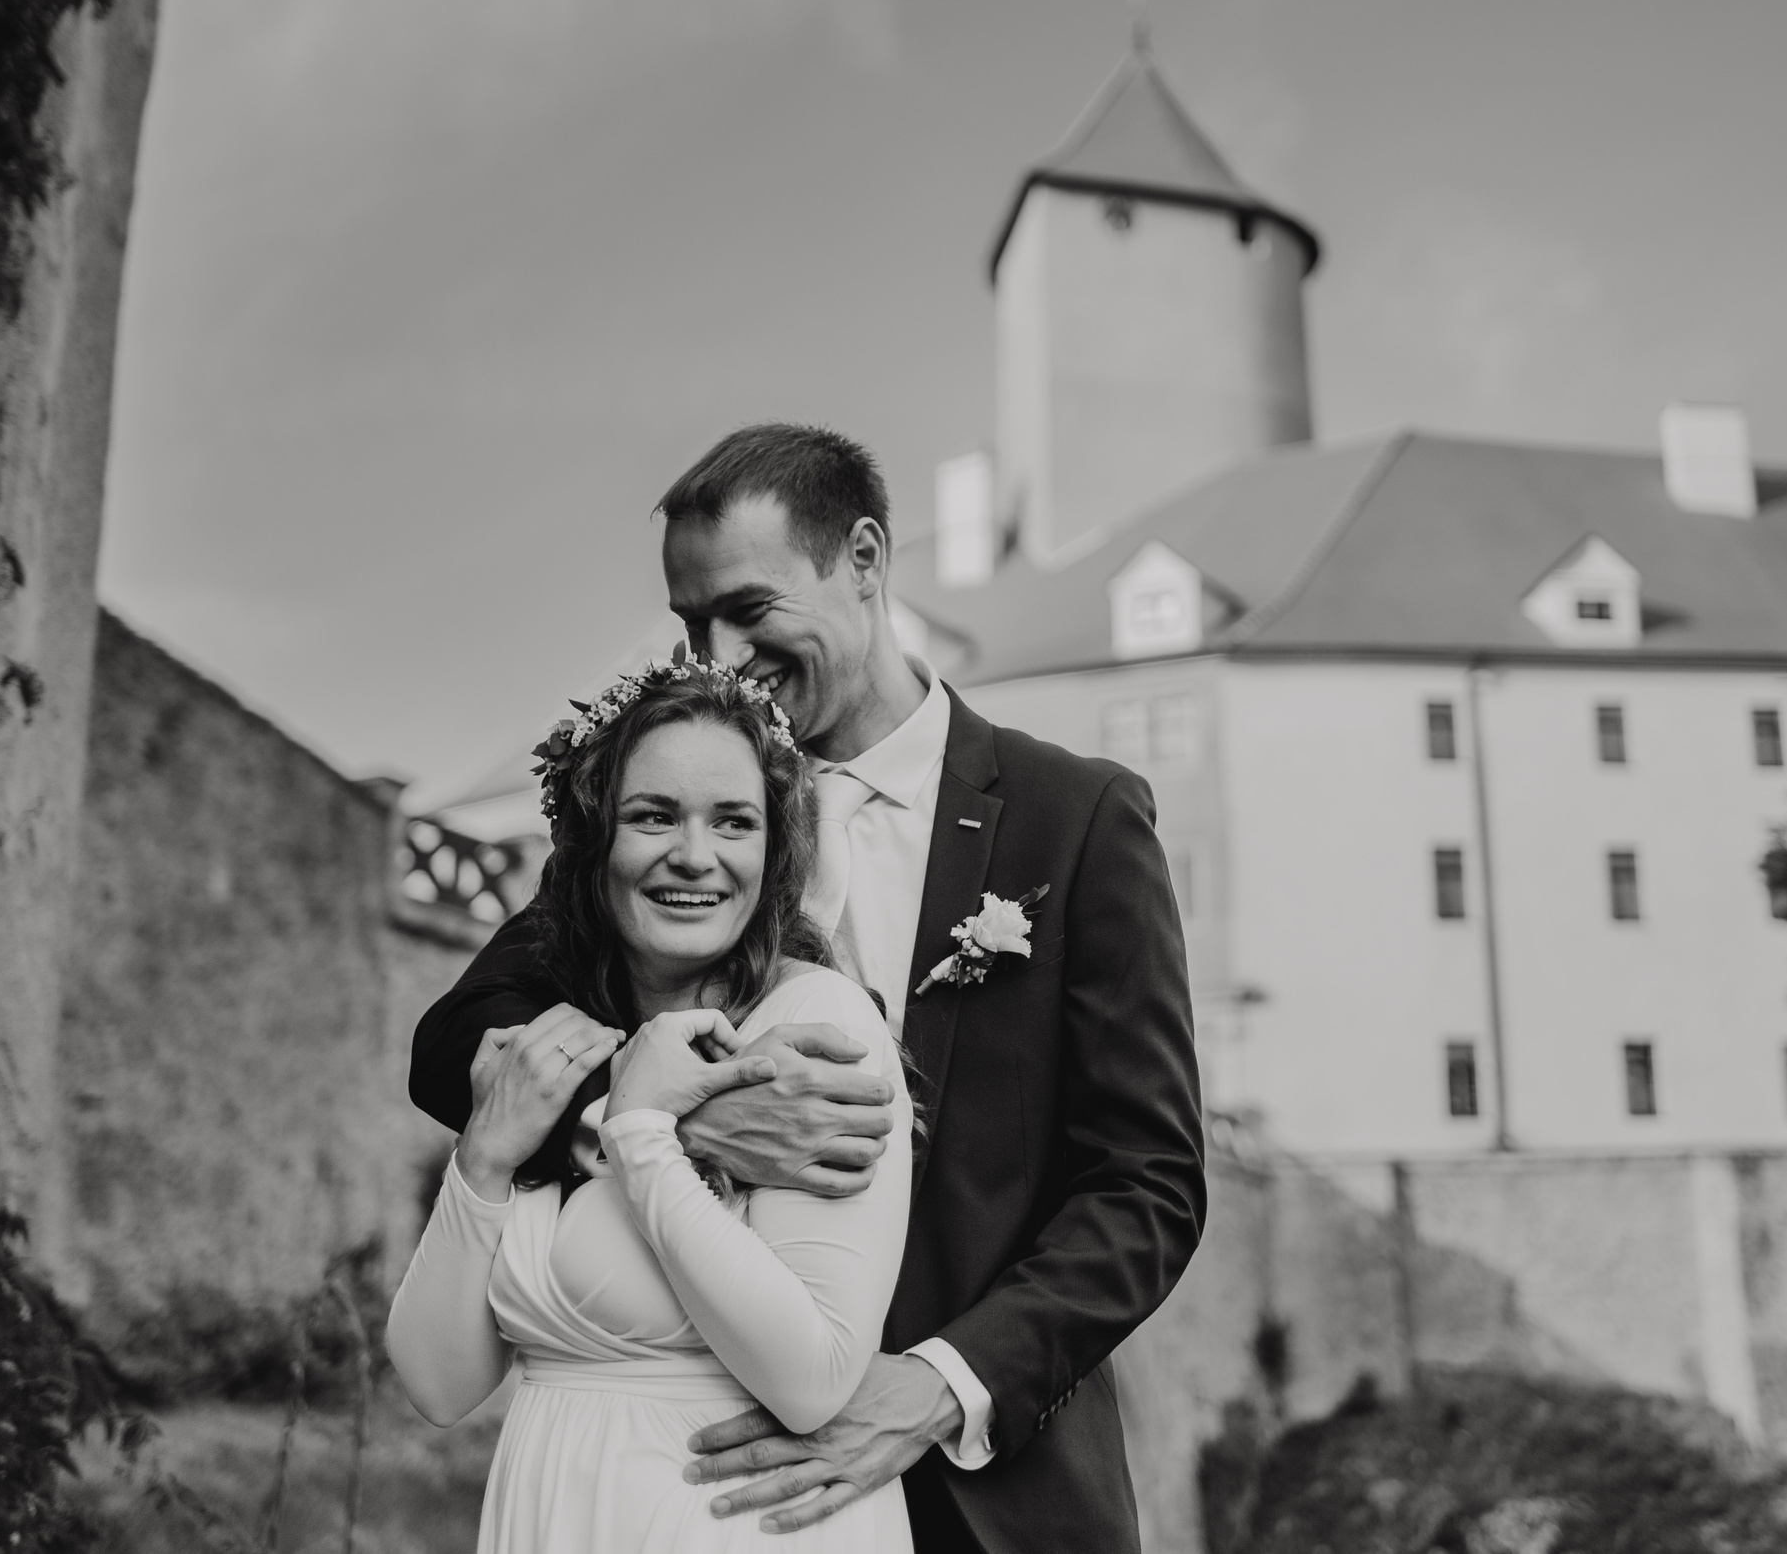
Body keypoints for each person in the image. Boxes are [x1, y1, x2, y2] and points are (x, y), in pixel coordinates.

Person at [410, 424, 1205, 1554]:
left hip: (997, 1494)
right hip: (711, 1488)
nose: (717, 655)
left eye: (748, 609)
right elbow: (456, 1041)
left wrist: (936, 1384)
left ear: (867, 561)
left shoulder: (1071, 817)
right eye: (691, 624)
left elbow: (1148, 1181)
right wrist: (648, 1110)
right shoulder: (671, 818)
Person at [386, 659, 916, 1552]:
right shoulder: (557, 1042)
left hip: (733, 1526)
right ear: (593, 843)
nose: (694, 854)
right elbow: (439, 1385)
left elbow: (815, 1377)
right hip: (552, 1514)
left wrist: (643, 1135)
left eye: (733, 822)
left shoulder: (811, 1027)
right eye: (653, 815)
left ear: (773, 850)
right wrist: (482, 1161)